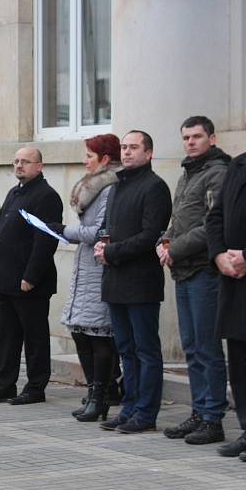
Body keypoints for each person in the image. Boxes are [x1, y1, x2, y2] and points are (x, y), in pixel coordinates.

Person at [94, 130, 172, 434]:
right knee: (125, 349)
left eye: (134, 147)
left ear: (148, 153)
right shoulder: (116, 187)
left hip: (141, 283)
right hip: (115, 281)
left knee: (145, 349)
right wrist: (102, 245)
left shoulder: (155, 187)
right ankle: (129, 407)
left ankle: (145, 412)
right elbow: (108, 227)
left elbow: (150, 234)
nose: (127, 152)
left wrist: (111, 251)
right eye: (124, 147)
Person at [158, 116, 229, 444]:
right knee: (191, 348)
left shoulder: (218, 172)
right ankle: (199, 412)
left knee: (207, 348)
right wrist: (164, 241)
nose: (190, 142)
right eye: (186, 137)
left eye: (197, 136)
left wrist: (176, 249)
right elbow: (178, 220)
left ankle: (213, 418)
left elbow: (210, 225)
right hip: (183, 270)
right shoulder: (188, 172)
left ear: (211, 138)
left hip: (204, 271)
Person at [207, 97, 246, 462]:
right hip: (233, 278)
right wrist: (219, 255)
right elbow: (215, 216)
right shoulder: (239, 165)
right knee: (243, 363)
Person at [0, 148, 62, 405]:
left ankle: (36, 387)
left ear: (40, 166)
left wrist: (31, 276)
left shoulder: (46, 196)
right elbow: (0, 235)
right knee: (4, 336)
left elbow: (45, 240)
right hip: (5, 278)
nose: (20, 165)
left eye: (25, 161)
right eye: (16, 161)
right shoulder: (14, 193)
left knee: (34, 338)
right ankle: (3, 385)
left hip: (29, 282)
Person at [49, 135, 121, 421]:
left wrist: (65, 230)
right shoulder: (95, 185)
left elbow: (98, 231)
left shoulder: (109, 186)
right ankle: (93, 391)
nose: (84, 160)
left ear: (104, 158)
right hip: (84, 268)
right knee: (79, 331)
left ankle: (102, 395)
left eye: (90, 155)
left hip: (100, 267)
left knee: (97, 335)